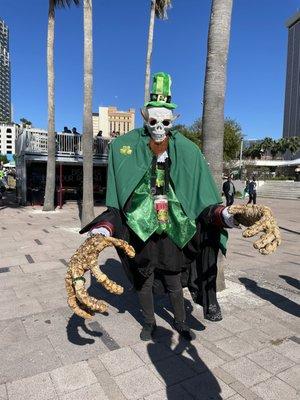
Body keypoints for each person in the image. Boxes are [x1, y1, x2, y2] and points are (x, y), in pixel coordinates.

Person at [78, 72, 281, 342]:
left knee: (175, 282)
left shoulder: (187, 151)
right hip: (142, 233)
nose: (159, 128)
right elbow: (117, 203)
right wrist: (102, 230)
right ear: (145, 120)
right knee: (144, 282)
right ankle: (149, 323)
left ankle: (181, 322)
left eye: (165, 122)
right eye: (153, 121)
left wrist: (231, 215)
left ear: (172, 121)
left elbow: (203, 202)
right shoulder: (125, 149)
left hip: (173, 231)